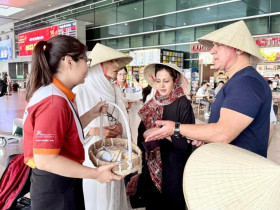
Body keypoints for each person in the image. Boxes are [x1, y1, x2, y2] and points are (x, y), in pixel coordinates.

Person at [145, 20, 272, 158]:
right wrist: (204, 135)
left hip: (239, 173)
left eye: (219, 44)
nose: (212, 50)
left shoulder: (246, 82)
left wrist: (175, 128)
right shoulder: (240, 80)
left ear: (238, 49)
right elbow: (221, 130)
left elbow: (222, 134)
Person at [23, 35, 121, 210]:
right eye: (85, 60)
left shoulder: (56, 93)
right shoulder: (54, 102)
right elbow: (46, 160)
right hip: (55, 187)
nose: (87, 67)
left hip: (60, 180)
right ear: (69, 62)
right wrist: (96, 174)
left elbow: (65, 130)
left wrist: (91, 114)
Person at [73, 43, 132, 210]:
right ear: (99, 65)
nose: (116, 66)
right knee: (97, 196)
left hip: (115, 153)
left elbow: (123, 118)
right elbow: (71, 129)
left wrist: (120, 127)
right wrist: (94, 130)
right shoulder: (81, 91)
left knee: (115, 192)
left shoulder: (115, 90)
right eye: (111, 61)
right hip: (94, 156)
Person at [136, 63, 195, 210]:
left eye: (166, 81)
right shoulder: (152, 103)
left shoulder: (183, 103)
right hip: (152, 168)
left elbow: (187, 143)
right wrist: (146, 133)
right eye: (158, 80)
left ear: (175, 81)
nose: (161, 85)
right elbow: (140, 135)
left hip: (174, 168)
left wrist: (165, 133)